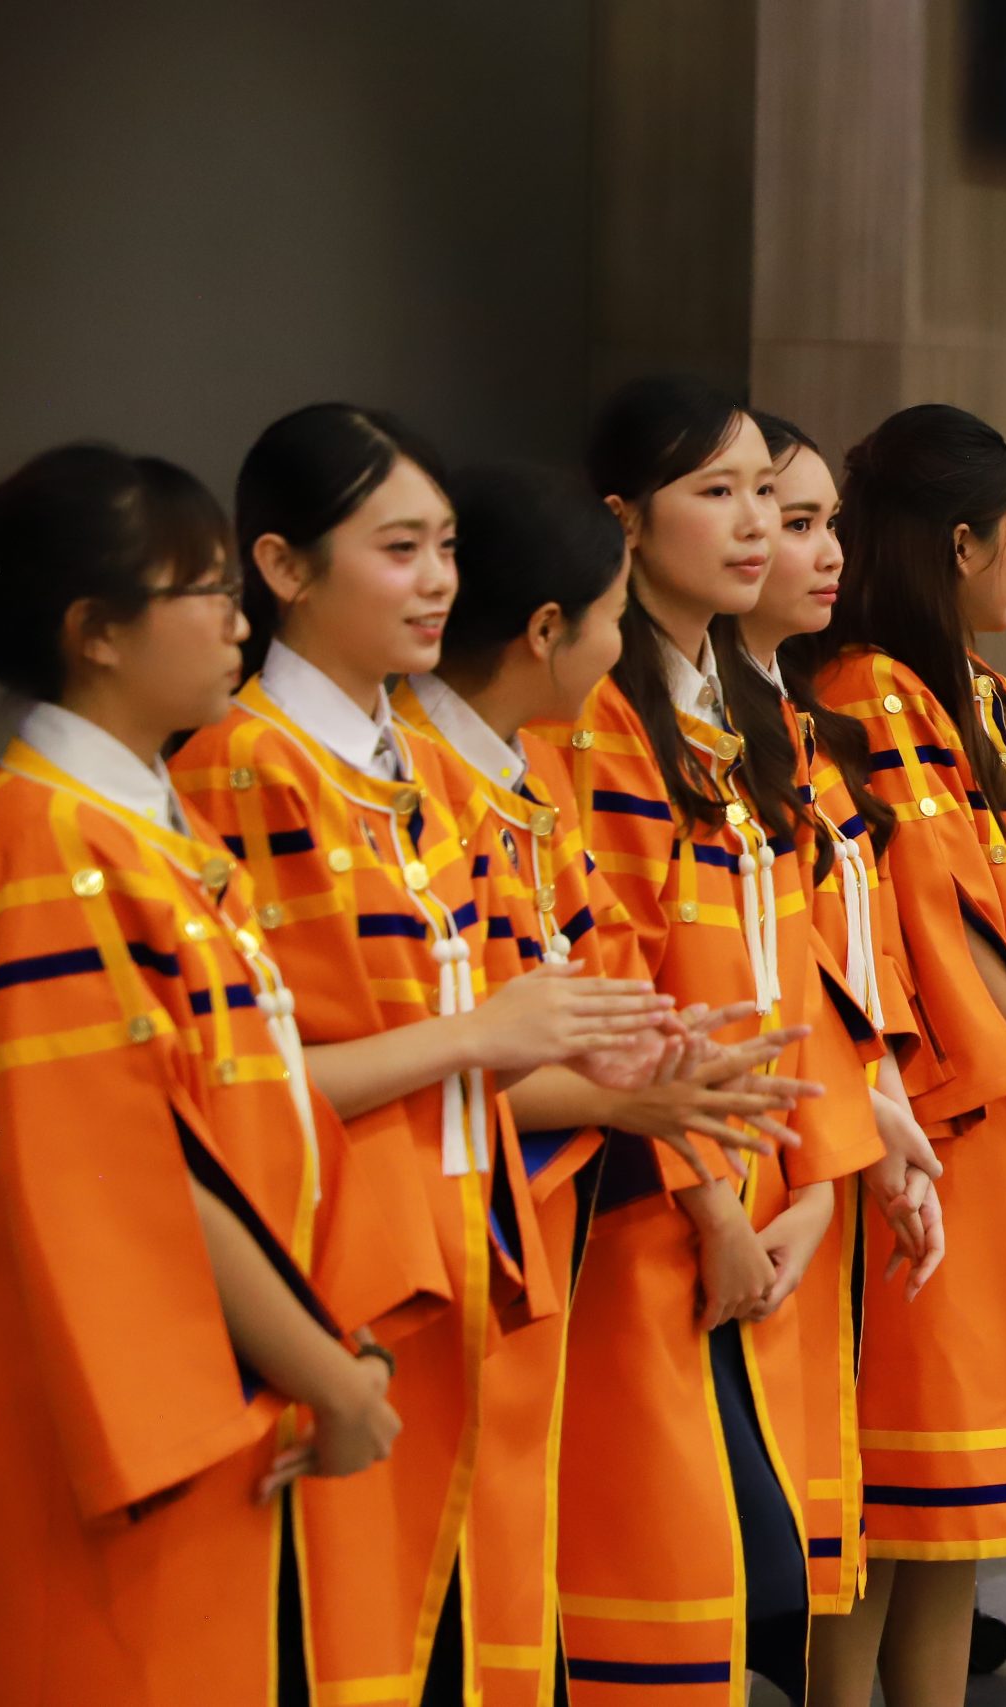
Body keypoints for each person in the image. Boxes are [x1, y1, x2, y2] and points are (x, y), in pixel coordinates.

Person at [171, 405, 675, 1706]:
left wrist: (632, 1067)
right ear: (282, 567)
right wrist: (488, 1037)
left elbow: (494, 1029)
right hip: (334, 1280)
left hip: (459, 1264)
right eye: (399, 549)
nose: (439, 579)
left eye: (446, 546)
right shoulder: (246, 767)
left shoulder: (418, 771)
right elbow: (232, 1092)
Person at [0, 445, 405, 1704]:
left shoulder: (146, 824)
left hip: (238, 1382)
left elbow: (250, 1116)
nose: (238, 624)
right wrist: (323, 1370)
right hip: (124, 1427)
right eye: (205, 592)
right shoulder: (42, 841)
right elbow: (127, 1172)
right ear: (95, 632)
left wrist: (332, 1344)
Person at [390, 460, 804, 1704]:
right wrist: (645, 1105)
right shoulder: (407, 775)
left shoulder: (518, 775)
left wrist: (670, 1065)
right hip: (435, 1237)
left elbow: (600, 981)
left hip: (538, 1217)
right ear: (546, 631)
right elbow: (411, 1050)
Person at [543, 375, 893, 1703]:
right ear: (625, 521)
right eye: (718, 492)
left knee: (761, 1585)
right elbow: (613, 985)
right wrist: (710, 1206)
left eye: (765, 493)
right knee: (666, 1588)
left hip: (763, 1197)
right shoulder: (597, 718)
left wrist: (818, 1186)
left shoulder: (743, 718)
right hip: (654, 1209)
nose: (756, 523)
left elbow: (797, 971)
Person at [801, 404, 1006, 1707]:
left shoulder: (982, 696)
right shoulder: (865, 692)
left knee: (957, 1501)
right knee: (899, 1486)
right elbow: (940, 919)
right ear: (959, 542)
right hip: (953, 1123)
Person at [730, 407, 946, 1624]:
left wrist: (883, 1104)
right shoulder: (691, 737)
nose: (818, 551)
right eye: (787, 517)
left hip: (827, 1140)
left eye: (822, 522)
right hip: (749, 1155)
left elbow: (858, 952)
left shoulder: (809, 728)